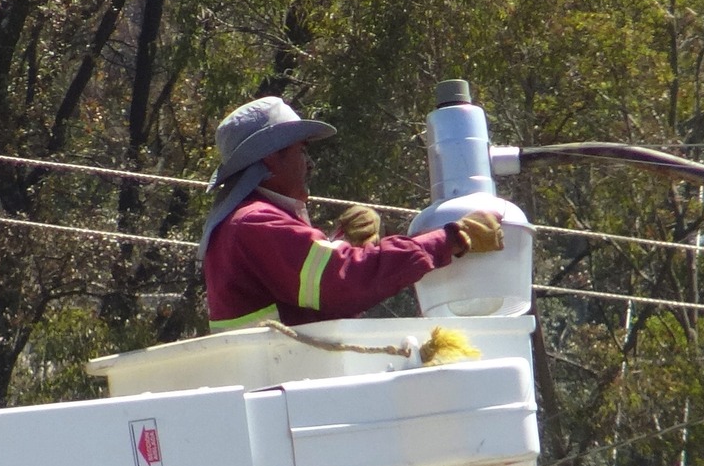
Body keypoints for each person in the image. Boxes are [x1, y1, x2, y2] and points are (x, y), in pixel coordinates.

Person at [198, 95, 505, 331]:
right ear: (271, 161)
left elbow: (315, 298)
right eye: (301, 151)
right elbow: (342, 283)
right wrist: (450, 238)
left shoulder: (243, 224)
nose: (309, 163)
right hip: (284, 386)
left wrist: (346, 243)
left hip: (279, 382)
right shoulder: (255, 223)